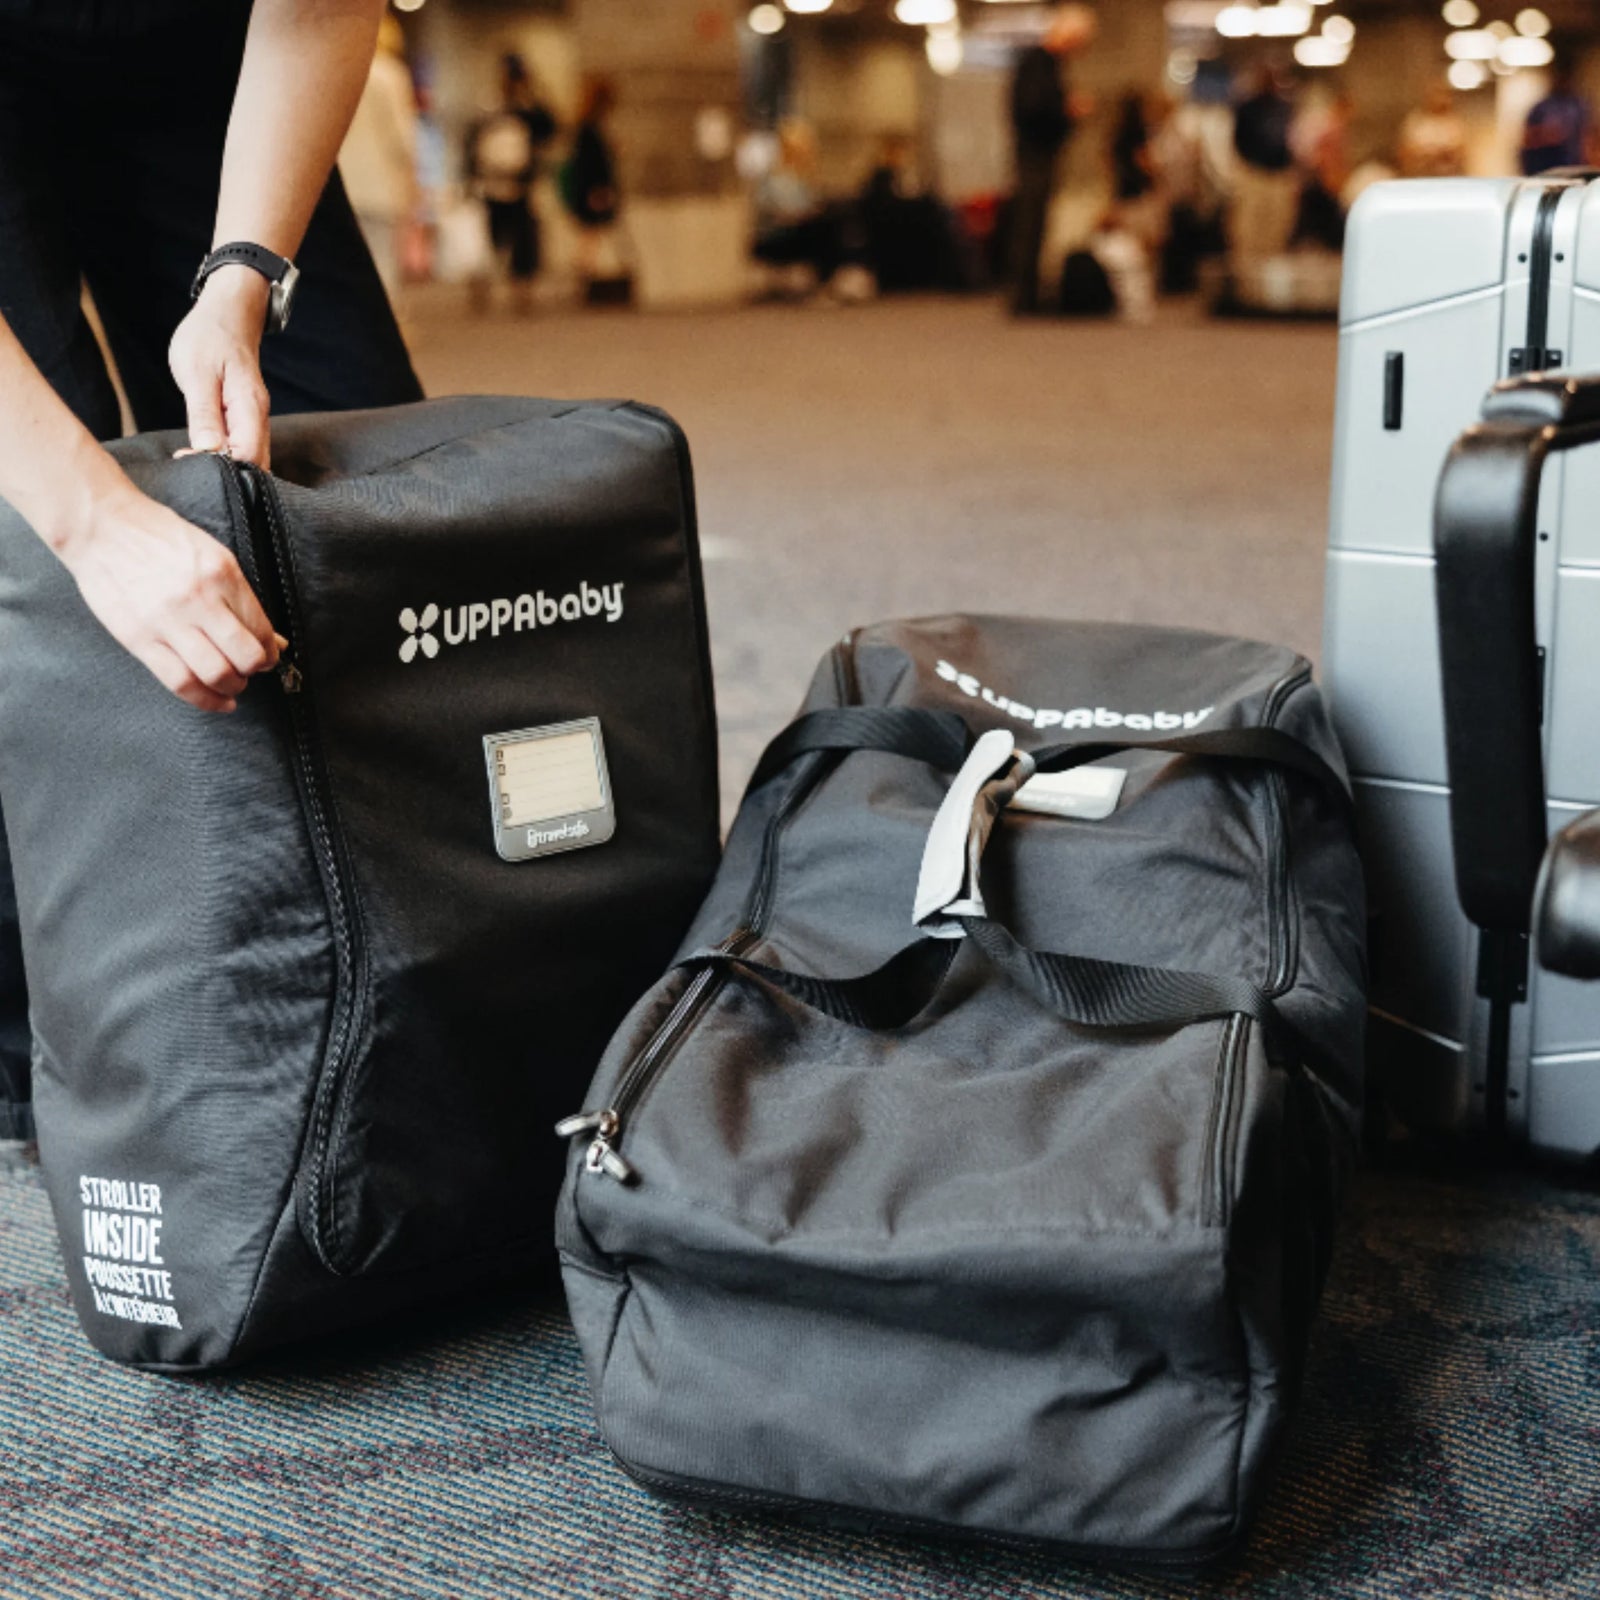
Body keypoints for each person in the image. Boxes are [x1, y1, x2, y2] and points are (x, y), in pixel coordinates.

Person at [0, 0, 423, 1148]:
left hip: (205, 47)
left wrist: (240, 280)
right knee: (25, 540)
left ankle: (400, 976)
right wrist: (94, 527)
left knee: (345, 459)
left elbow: (320, 11)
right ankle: (48, 1045)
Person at [1007, 2, 1098, 316]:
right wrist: (1068, 111)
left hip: (1041, 153)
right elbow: (1032, 109)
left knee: (1037, 225)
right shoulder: (1038, 62)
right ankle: (1023, 298)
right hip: (1034, 154)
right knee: (1030, 225)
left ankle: (1028, 295)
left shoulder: (1048, 63)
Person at [466, 53, 557, 313]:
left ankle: (519, 287)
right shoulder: (493, 104)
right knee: (497, 236)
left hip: (518, 182)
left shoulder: (524, 106)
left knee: (520, 237)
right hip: (497, 182)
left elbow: (549, 128)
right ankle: (494, 283)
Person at [339, 14, 420, 303]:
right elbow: (403, 138)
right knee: (383, 260)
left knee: (348, 259)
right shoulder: (390, 74)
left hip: (342, 182)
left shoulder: (338, 68)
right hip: (381, 182)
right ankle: (384, 327)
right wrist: (414, 183)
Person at [1229, 64, 1299, 271]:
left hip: (1279, 175)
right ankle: (1246, 271)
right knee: (1249, 227)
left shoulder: (1285, 108)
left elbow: (1291, 141)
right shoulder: (1247, 108)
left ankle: (1271, 269)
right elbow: (1238, 141)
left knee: (1277, 226)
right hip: (1254, 173)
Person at [561, 76, 623, 292]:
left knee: (591, 233)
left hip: (590, 189)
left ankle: (585, 270)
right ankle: (583, 271)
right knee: (591, 232)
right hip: (592, 190)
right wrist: (597, 189)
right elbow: (590, 164)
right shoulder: (589, 129)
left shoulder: (588, 127)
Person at [1522, 60, 1594, 177]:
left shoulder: (1578, 106)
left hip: (1574, 166)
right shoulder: (1542, 108)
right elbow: (1528, 138)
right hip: (1544, 166)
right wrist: (1547, 135)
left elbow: (1588, 136)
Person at [1398, 82, 1468, 179]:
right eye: (1436, 95)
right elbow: (1406, 151)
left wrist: (1445, 155)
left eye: (1444, 96)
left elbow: (1461, 151)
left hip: (1447, 176)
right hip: (1421, 175)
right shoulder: (1416, 121)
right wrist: (1427, 156)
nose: (1440, 99)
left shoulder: (1454, 123)